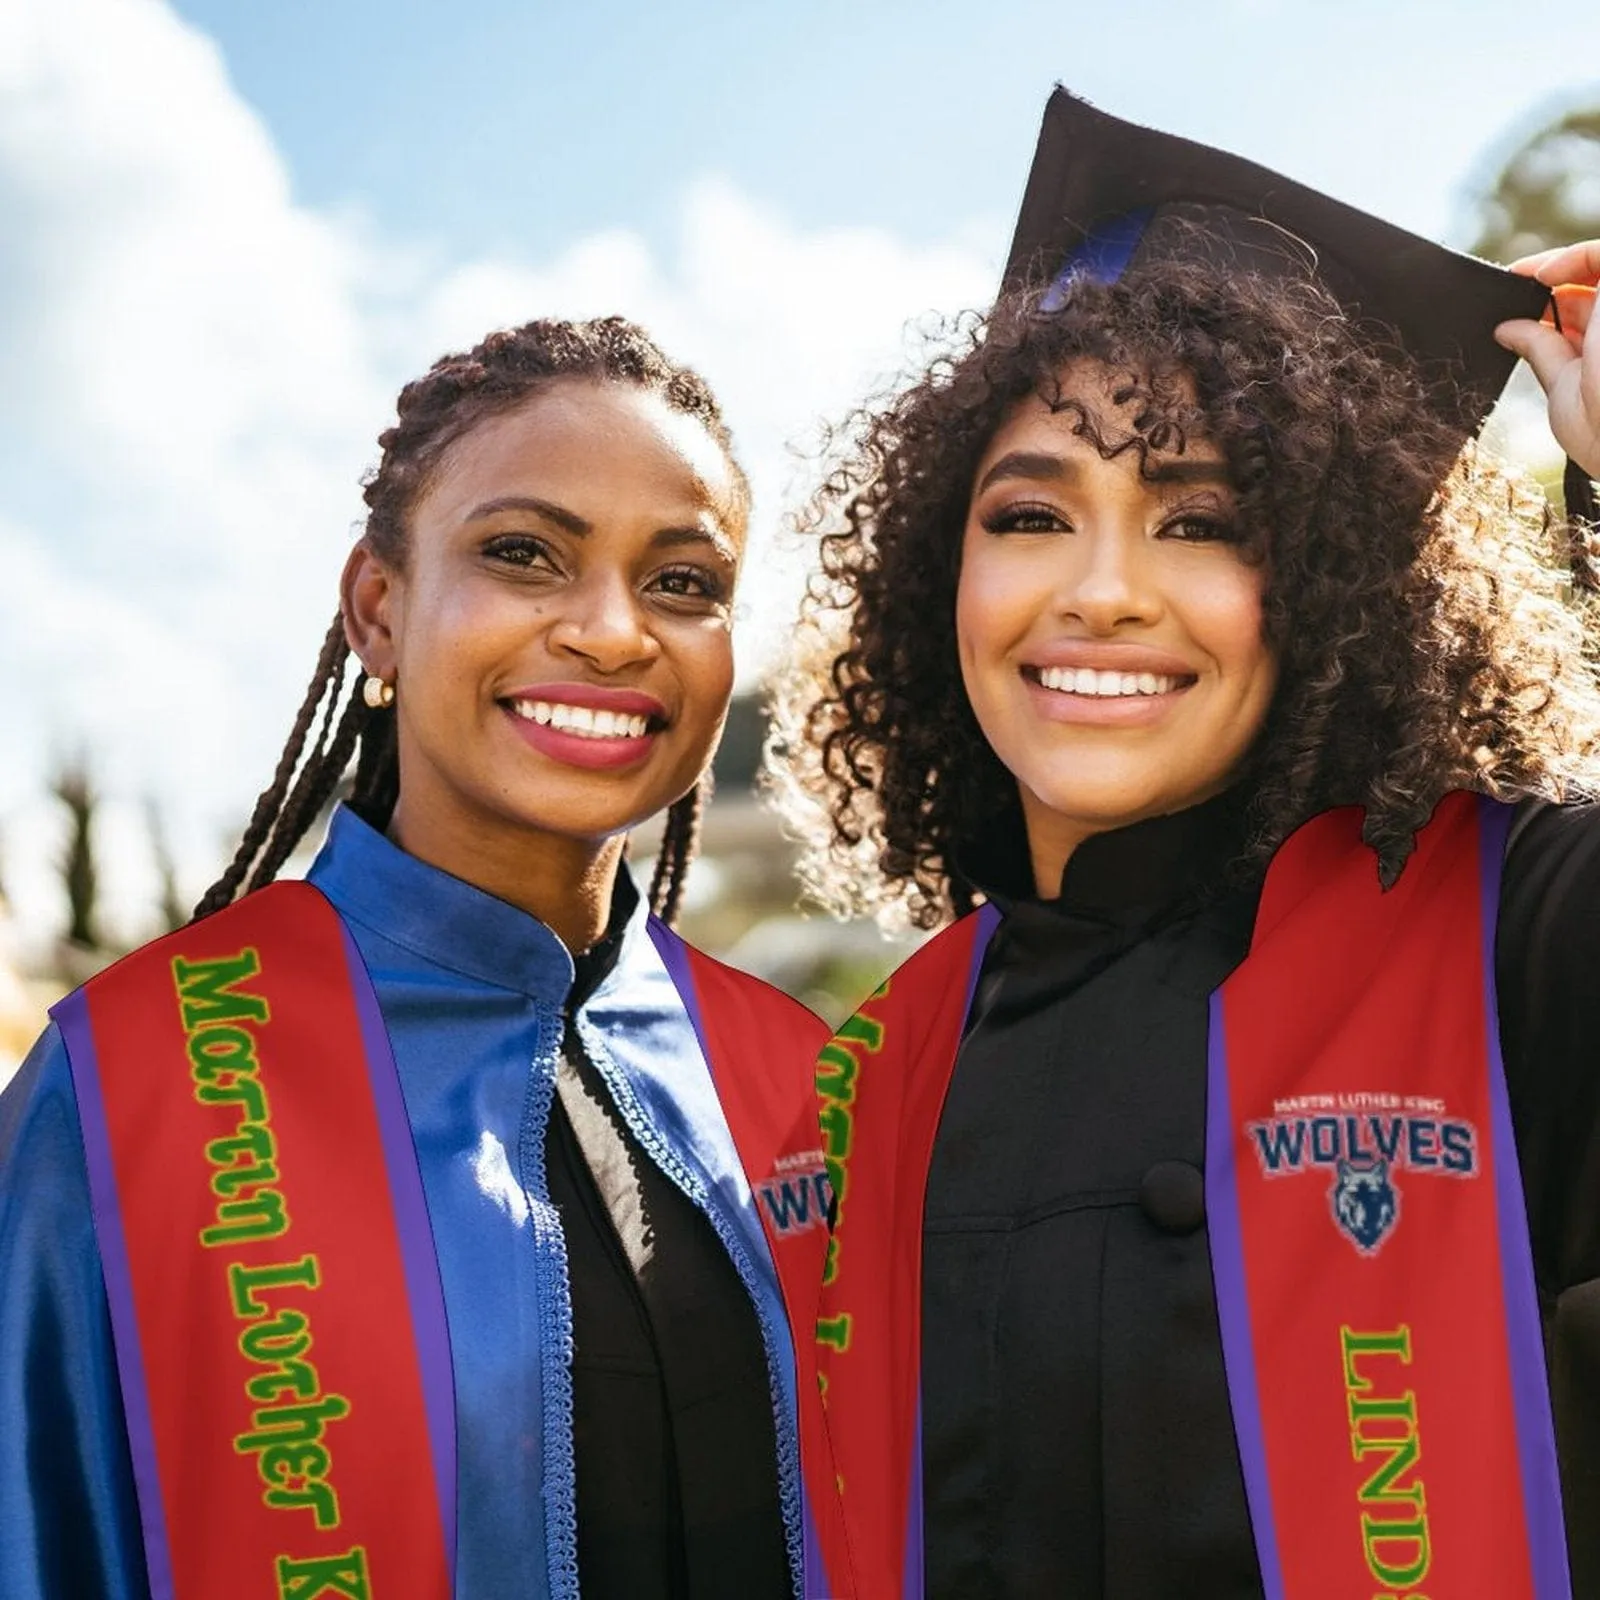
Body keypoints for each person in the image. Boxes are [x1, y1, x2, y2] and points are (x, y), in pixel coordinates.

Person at [771, 91, 1600, 1599]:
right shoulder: (881, 1074)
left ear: (1335, 595)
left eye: (1203, 522)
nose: (1101, 591)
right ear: (937, 568)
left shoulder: (1521, 935)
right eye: (1030, 513)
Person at [0, 316, 840, 1600]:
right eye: (523, 554)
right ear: (378, 611)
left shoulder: (797, 1081)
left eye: (682, 582)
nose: (613, 632)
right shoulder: (133, 1084)